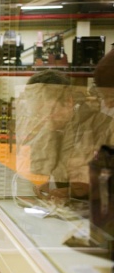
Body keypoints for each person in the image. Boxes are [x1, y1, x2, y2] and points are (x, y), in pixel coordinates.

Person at [16, 69, 114, 203]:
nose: (44, 120)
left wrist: (72, 192)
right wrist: (53, 185)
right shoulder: (59, 127)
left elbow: (104, 181)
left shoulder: (99, 127)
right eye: (38, 115)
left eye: (48, 112)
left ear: (68, 102)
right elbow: (44, 167)